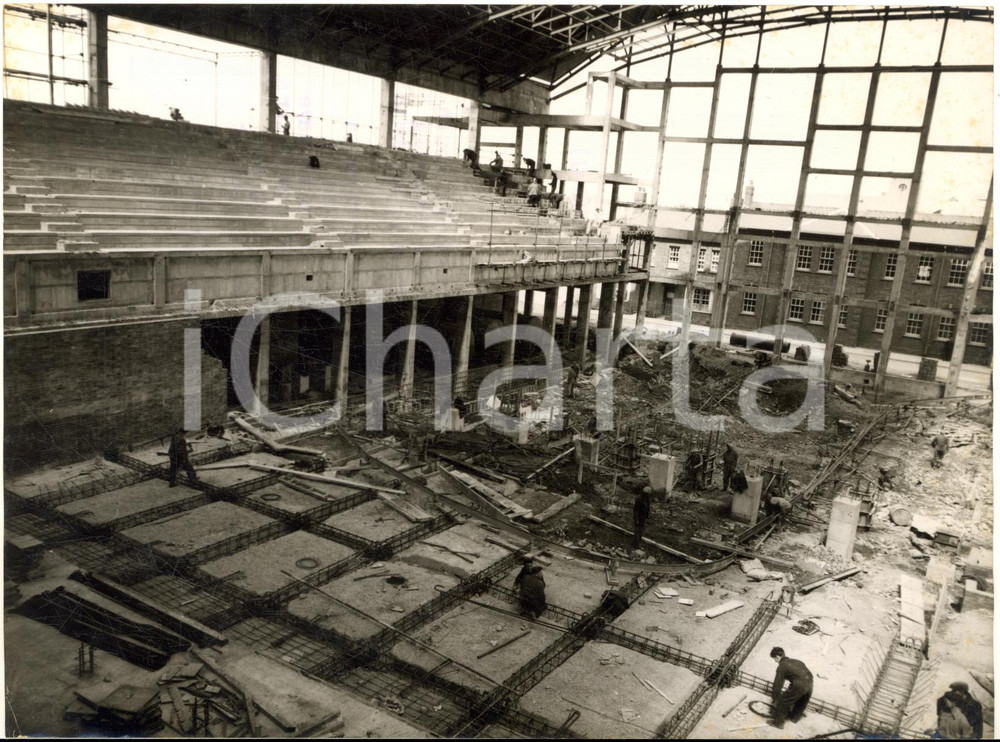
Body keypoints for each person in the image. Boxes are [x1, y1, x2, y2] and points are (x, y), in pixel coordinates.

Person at [768, 647, 813, 729]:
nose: (775, 661)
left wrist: (775, 699)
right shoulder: (797, 661)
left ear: (777, 657)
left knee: (783, 701)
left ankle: (778, 723)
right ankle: (795, 718)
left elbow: (777, 685)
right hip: (810, 683)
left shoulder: (782, 666)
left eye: (774, 659)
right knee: (802, 700)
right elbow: (808, 673)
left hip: (799, 685)